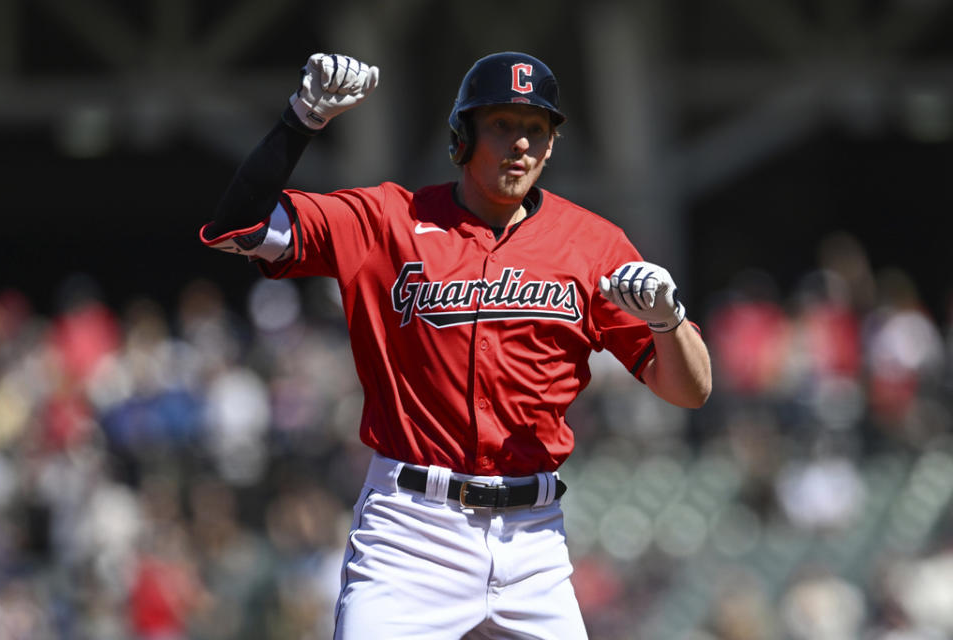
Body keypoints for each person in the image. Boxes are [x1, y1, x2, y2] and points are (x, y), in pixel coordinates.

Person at [200, 51, 711, 639]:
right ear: (461, 137)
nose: (520, 144)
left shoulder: (594, 243)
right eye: (502, 125)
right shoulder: (386, 219)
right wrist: (302, 118)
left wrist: (670, 324)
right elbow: (237, 227)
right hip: (412, 531)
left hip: (534, 538)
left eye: (535, 130)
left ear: (550, 147)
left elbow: (691, 392)